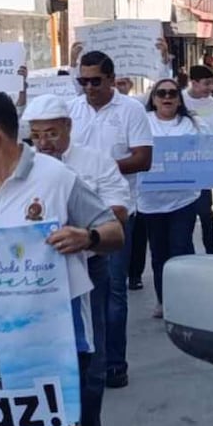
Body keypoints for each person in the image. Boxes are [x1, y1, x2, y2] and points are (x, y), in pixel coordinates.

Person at [0, 92, 124, 426]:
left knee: (72, 408)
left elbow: (114, 230)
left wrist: (88, 238)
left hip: (57, 330)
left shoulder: (56, 178)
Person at [21, 94, 130, 426]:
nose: (45, 142)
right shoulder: (24, 168)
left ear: (68, 127)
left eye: (51, 133)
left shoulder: (94, 162)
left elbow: (117, 210)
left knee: (90, 362)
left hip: (87, 271)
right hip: (32, 281)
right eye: (37, 135)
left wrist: (84, 228)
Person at [68, 48, 153, 389]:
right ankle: (89, 361)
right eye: (83, 81)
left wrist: (99, 172)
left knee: (114, 291)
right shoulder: (71, 111)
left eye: (95, 81)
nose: (88, 87)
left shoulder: (130, 110)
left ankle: (114, 364)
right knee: (83, 291)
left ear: (111, 78)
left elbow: (143, 158)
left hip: (116, 211)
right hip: (75, 214)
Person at [140, 79, 201, 317]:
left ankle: (185, 298)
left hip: (184, 200)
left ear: (179, 99)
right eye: (161, 93)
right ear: (153, 98)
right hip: (150, 202)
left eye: (172, 93)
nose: (167, 97)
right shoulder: (142, 123)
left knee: (180, 248)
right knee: (158, 253)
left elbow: (209, 148)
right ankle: (163, 300)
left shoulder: (192, 124)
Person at [182, 64, 213, 255]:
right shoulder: (179, 99)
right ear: (194, 83)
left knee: (205, 211)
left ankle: (211, 248)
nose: (209, 88)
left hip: (204, 165)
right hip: (181, 164)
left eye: (211, 84)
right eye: (206, 84)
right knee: (185, 213)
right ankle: (185, 249)